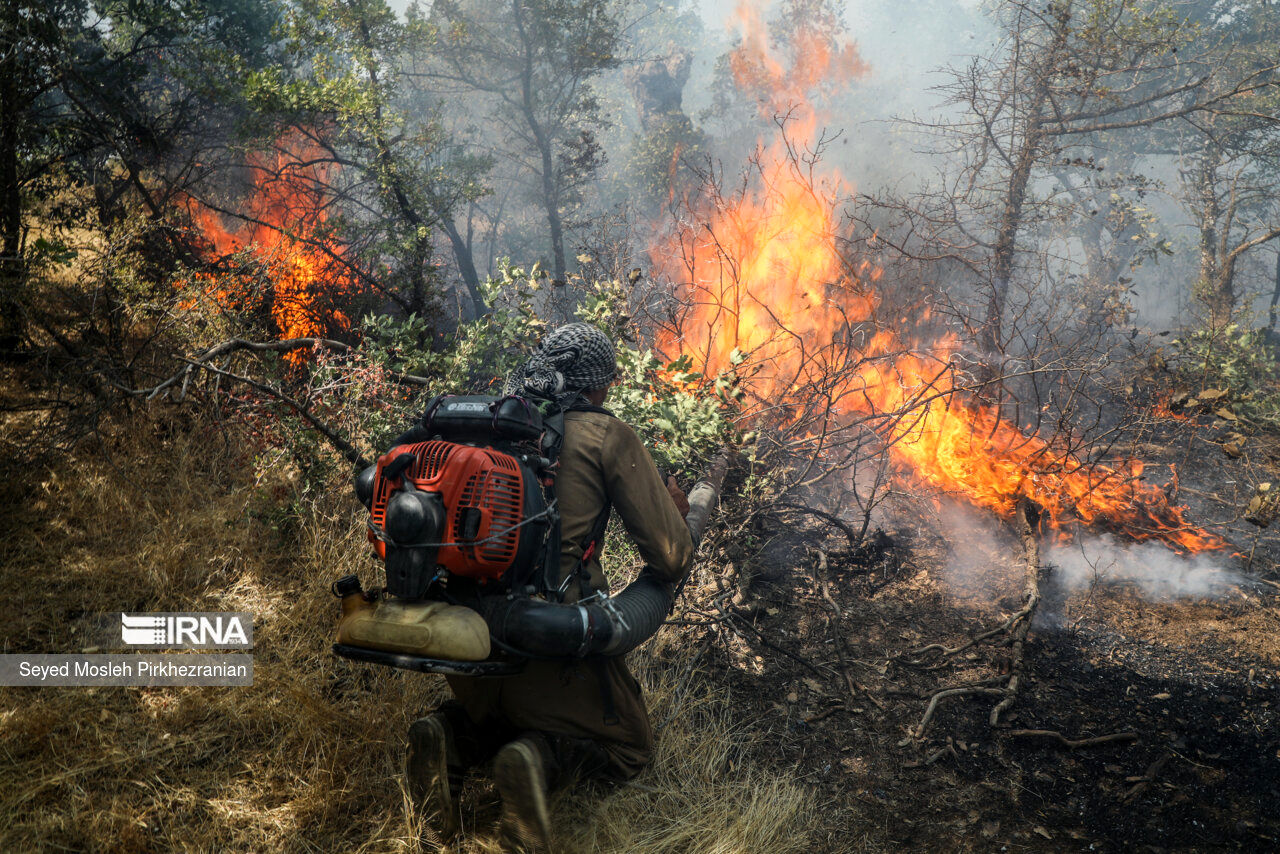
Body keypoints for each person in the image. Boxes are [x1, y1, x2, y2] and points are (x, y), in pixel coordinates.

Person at [405, 323, 693, 852]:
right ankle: (538, 758)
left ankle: (448, 735)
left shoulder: (490, 423)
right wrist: (679, 512)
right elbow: (670, 556)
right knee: (632, 750)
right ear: (598, 384)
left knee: (491, 713)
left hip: (461, 639)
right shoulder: (606, 435)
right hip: (555, 642)